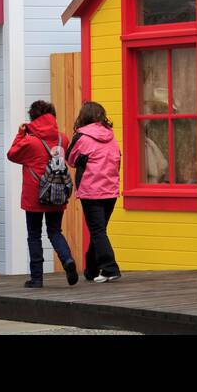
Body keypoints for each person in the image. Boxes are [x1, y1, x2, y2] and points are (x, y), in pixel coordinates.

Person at [8, 100, 78, 288]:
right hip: (57, 191)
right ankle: (67, 260)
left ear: (33, 117)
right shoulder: (62, 138)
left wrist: (21, 133)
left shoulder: (29, 141)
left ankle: (37, 278)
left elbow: (12, 154)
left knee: (34, 235)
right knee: (55, 231)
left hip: (35, 193)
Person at [66, 101, 122, 282]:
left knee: (98, 231)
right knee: (99, 230)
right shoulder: (111, 136)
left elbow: (70, 159)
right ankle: (91, 270)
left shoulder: (81, 137)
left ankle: (110, 268)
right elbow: (117, 160)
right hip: (111, 191)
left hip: (91, 191)